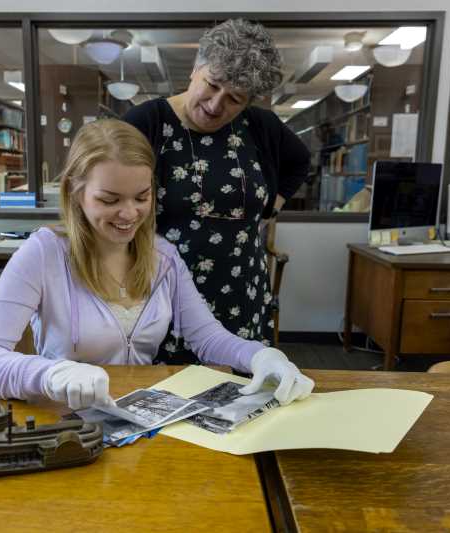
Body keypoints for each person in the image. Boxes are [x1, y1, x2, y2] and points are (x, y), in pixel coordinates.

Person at [0, 119, 314, 411]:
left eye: (142, 197)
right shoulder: (43, 254)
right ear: (75, 193)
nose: (129, 214)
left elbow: (207, 337)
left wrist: (261, 355)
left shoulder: (164, 258)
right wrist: (50, 373)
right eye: (109, 199)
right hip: (60, 422)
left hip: (136, 417)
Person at [123, 19, 310, 364]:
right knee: (168, 396)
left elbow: (300, 161)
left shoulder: (260, 125)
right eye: (211, 85)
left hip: (242, 290)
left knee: (239, 392)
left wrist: (272, 206)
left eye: (235, 99)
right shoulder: (146, 123)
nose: (215, 105)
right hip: (163, 293)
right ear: (197, 67)